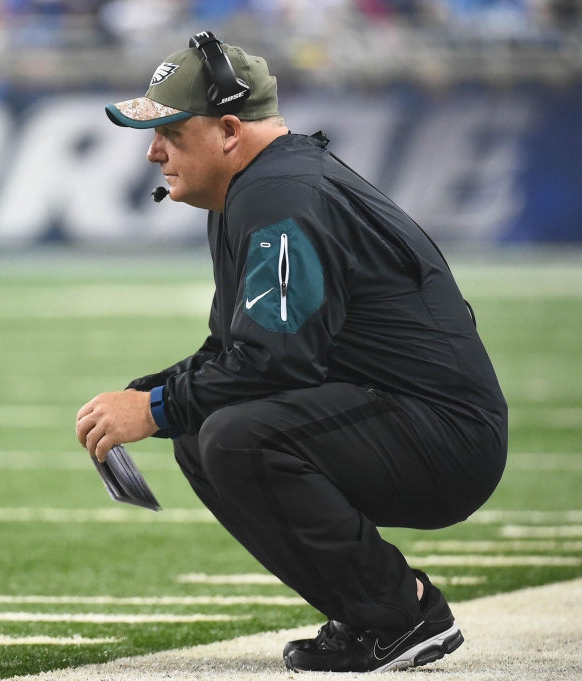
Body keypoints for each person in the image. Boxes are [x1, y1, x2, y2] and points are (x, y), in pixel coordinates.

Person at [75, 31, 507, 673]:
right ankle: (371, 613)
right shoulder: (260, 185)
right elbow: (237, 351)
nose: (151, 151)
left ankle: (399, 612)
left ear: (227, 130)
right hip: (407, 415)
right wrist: (150, 396)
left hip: (443, 435)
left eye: (170, 130)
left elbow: (275, 362)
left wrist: (156, 407)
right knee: (202, 429)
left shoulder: (278, 194)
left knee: (233, 437)